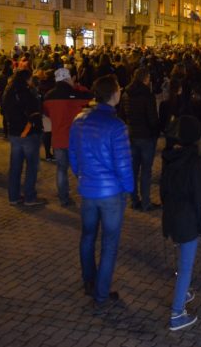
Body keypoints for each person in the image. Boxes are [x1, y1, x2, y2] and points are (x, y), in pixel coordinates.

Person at [69, 75, 134, 313]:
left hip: (88, 190)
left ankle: (89, 281)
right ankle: (101, 292)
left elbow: (73, 156)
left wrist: (83, 177)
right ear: (113, 94)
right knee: (109, 242)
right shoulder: (116, 126)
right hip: (111, 193)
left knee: (87, 236)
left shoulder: (79, 120)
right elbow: (124, 165)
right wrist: (129, 190)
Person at [161, 115, 201, 331]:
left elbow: (163, 190)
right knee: (186, 265)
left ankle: (184, 292)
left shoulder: (169, 157)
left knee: (180, 259)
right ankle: (177, 313)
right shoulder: (195, 161)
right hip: (188, 218)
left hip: (172, 216)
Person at [43, 67, 93, 206]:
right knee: (80, 168)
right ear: (66, 78)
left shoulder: (48, 96)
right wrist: (77, 86)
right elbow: (89, 95)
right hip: (75, 138)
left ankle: (64, 198)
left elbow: (47, 113)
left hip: (58, 138)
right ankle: (89, 193)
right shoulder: (75, 94)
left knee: (61, 170)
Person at [121, 67, 160, 211]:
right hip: (146, 136)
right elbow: (152, 118)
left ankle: (134, 200)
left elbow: (122, 114)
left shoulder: (126, 93)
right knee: (146, 171)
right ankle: (146, 202)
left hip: (132, 134)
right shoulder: (147, 95)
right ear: (144, 79)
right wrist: (156, 131)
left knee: (133, 169)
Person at [3, 69, 44, 205]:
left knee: (15, 166)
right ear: (27, 79)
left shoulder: (8, 92)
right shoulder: (27, 93)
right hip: (28, 133)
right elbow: (34, 113)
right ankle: (30, 197)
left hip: (14, 133)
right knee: (31, 167)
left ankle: (13, 196)